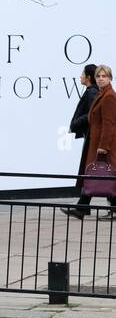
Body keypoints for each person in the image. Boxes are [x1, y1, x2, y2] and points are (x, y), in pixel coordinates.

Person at [77, 64, 116, 217]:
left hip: (104, 145)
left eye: (104, 76)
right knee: (99, 174)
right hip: (97, 143)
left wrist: (104, 146)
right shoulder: (102, 95)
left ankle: (83, 206)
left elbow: (109, 123)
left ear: (110, 78)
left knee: (103, 174)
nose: (100, 79)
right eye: (98, 76)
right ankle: (83, 206)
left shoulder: (109, 97)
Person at [66, 64, 101, 218]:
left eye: (82, 74)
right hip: (93, 138)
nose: (80, 76)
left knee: (96, 171)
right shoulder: (91, 92)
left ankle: (83, 206)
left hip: (95, 140)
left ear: (88, 77)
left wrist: (75, 123)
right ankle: (83, 206)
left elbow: (92, 114)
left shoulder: (92, 92)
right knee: (95, 171)